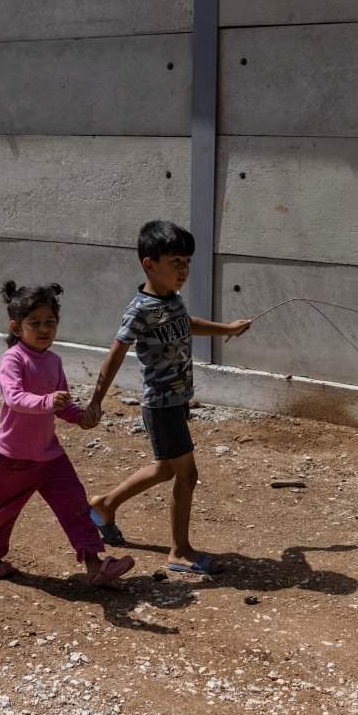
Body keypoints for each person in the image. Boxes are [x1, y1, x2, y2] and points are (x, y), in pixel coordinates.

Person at [84, 220, 251, 575]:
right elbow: (116, 352)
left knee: (164, 469)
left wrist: (227, 329)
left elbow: (185, 323)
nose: (184, 269)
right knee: (186, 475)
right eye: (176, 262)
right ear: (149, 264)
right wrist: (97, 399)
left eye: (187, 261)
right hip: (161, 404)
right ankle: (180, 552)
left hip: (178, 401)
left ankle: (105, 504)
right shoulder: (139, 309)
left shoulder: (170, 300)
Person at [0, 280, 136, 587]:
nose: (44, 329)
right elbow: (14, 398)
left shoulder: (54, 361)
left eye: (50, 322)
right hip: (14, 458)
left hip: (50, 456)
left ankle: (94, 564)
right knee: (2, 510)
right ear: (17, 328)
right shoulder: (13, 359)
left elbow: (61, 405)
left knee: (75, 505)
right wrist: (47, 401)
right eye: (35, 323)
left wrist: (81, 417)